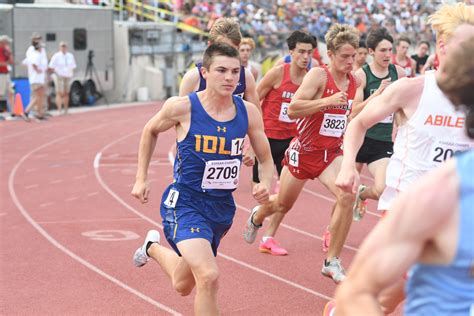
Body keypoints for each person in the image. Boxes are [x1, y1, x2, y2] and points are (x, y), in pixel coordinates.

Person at [334, 3, 474, 314]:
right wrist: (347, 166)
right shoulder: (412, 90)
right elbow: (357, 123)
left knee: (389, 300)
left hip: (457, 212)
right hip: (406, 207)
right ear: (443, 45)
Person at [131, 43, 274, 316]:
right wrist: (141, 178)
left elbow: (266, 159)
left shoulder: (248, 113)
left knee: (183, 284)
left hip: (221, 209)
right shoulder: (183, 108)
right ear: (205, 73)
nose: (229, 78)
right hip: (184, 204)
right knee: (208, 276)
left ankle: (151, 248)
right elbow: (150, 130)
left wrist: (264, 183)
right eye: (221, 70)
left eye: (235, 71)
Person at [244, 23, 360, 283]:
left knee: (347, 194)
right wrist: (326, 102)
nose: (350, 61)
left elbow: (356, 112)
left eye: (353, 56)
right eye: (344, 56)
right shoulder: (318, 76)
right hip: (302, 152)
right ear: (330, 54)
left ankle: (332, 261)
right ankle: (257, 214)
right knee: (283, 204)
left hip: (330, 154)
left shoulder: (355, 80)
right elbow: (294, 108)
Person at [251, 30, 316, 256]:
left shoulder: (313, 80)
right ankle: (257, 215)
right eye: (301, 52)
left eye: (309, 52)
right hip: (267, 141)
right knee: (261, 192)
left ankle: (268, 237)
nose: (305, 57)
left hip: (292, 143)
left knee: (285, 197)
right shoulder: (278, 74)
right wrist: (250, 138)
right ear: (291, 52)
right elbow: (253, 101)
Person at [350, 27, 406, 220]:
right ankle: (331, 231)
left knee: (383, 188)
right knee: (345, 194)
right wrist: (377, 94)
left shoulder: (399, 73)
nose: (387, 54)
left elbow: (403, 107)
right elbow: (354, 111)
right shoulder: (362, 75)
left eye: (390, 50)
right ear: (371, 51)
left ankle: (363, 194)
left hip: (382, 142)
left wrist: (402, 126)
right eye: (383, 50)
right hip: (359, 139)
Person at [179, 17, 259, 108]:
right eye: (221, 48)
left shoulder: (246, 76)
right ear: (210, 45)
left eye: (231, 49)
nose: (226, 54)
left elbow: (256, 117)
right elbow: (179, 118)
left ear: (237, 48)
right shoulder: (193, 78)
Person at [24, 34, 48, 120]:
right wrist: (38, 70)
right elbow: (32, 63)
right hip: (35, 78)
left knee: (40, 96)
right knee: (37, 95)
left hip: (40, 77)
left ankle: (39, 113)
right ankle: (28, 111)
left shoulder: (40, 52)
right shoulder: (33, 52)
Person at [49, 42, 76, 115]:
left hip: (67, 76)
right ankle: (59, 109)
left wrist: (71, 74)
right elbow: (51, 66)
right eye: (62, 46)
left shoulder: (70, 56)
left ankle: (66, 109)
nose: (63, 48)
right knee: (59, 92)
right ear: (60, 47)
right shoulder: (56, 56)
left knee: (66, 93)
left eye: (64, 46)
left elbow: (73, 66)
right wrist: (55, 73)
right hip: (59, 76)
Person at [0, 35, 14, 116]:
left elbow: (11, 61)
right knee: (0, 94)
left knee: (11, 92)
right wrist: (7, 63)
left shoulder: (5, 50)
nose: (7, 44)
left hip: (6, 74)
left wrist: (10, 52)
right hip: (1, 74)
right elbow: (1, 63)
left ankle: (13, 111)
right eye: (6, 43)